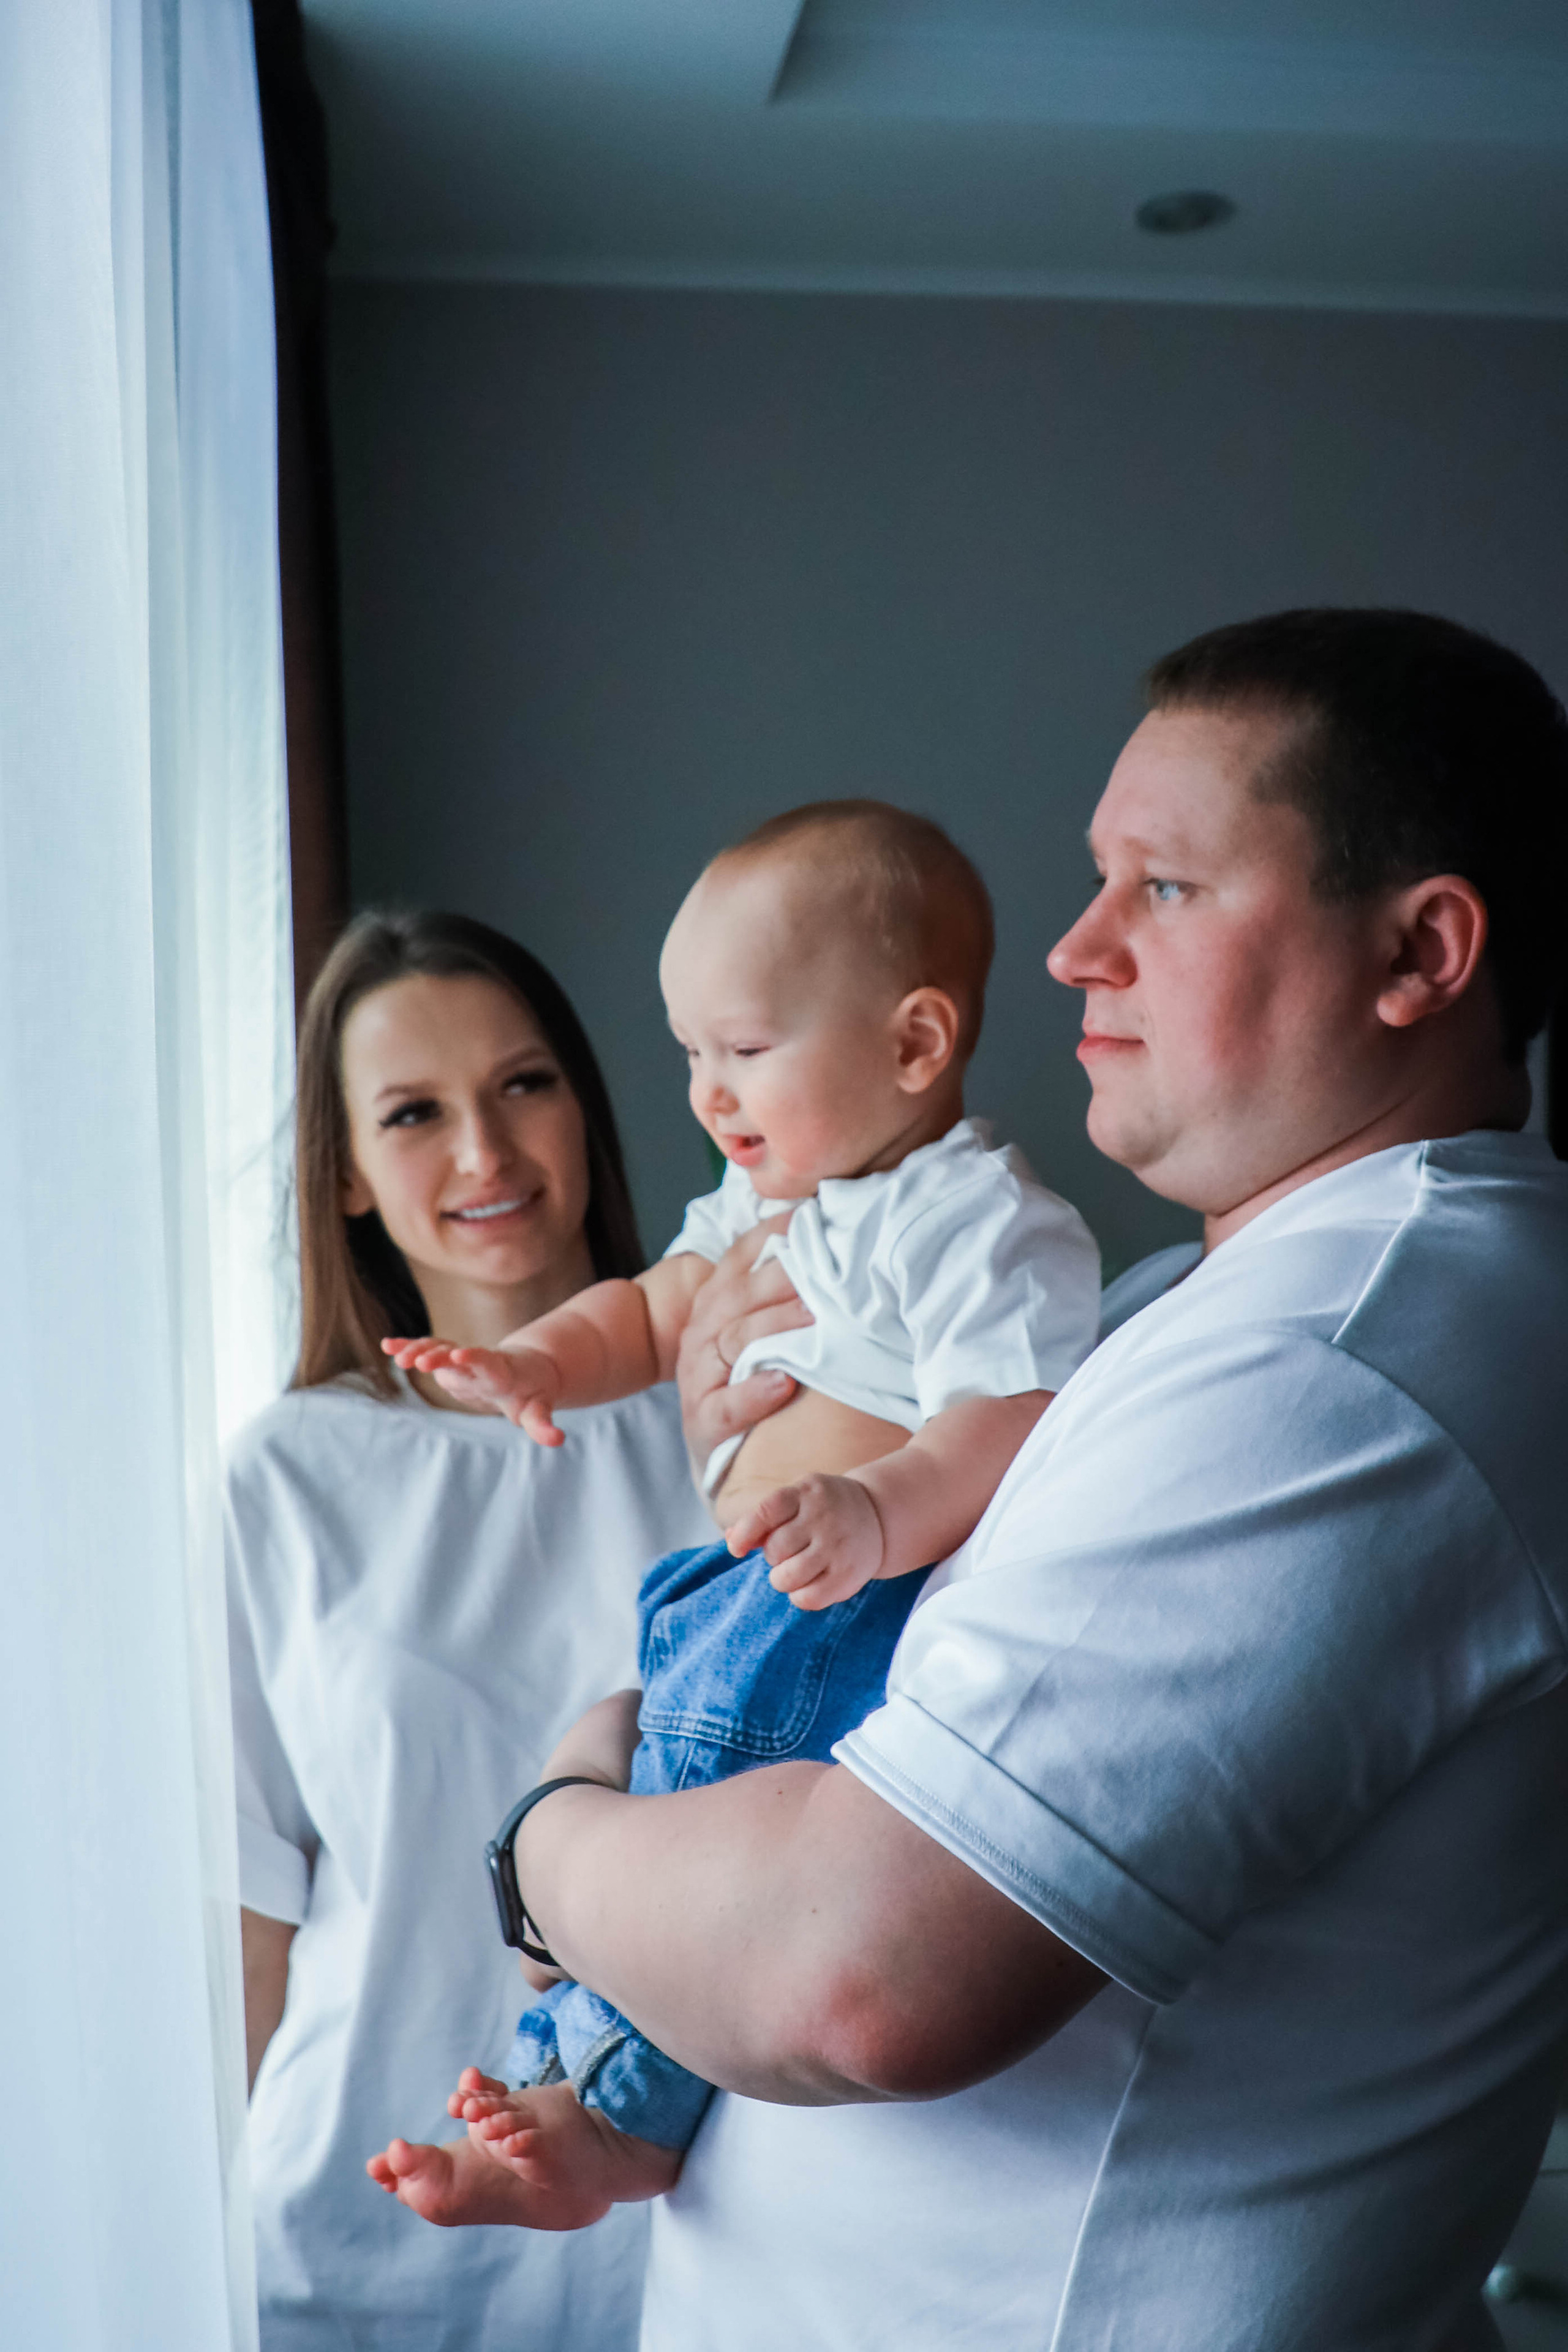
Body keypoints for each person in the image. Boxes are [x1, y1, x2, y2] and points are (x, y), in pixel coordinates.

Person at [428, 610, 1567, 2350]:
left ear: (1422, 950)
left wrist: (551, 1836)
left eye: (1164, 889)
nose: (1071, 949)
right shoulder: (1194, 1309)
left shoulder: (1346, 1360)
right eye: (1096, 881)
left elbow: (854, 1974)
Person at [365, 802, 1102, 2224]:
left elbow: (1008, 1414)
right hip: (729, 1585)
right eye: (690, 1052)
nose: (707, 1092)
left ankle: (620, 2123)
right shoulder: (767, 1201)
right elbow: (650, 1311)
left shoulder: (967, 1221)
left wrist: (879, 1510)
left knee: (692, 1845)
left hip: (837, 1601)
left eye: (745, 1049)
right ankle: (550, 2090)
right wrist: (536, 1362)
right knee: (652, 1829)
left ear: (911, 1044)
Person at [227, 910, 713, 2352]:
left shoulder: (745, 1416)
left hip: (686, 2225)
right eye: (414, 1114)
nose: (486, 1157)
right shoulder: (287, 1477)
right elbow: (255, 1904)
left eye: (523, 1086)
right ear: (351, 1180)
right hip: (360, 2225)